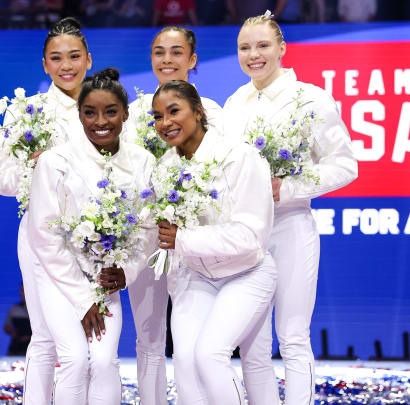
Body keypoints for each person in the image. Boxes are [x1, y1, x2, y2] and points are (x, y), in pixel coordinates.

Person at [223, 13, 358, 404]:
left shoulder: (310, 99)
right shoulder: (235, 103)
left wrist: (289, 187)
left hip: (291, 225)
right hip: (247, 233)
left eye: (263, 45)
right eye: (245, 48)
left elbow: (345, 165)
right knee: (253, 343)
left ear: (282, 48)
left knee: (293, 335)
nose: (254, 55)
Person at [27, 68, 156, 404]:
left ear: (126, 113)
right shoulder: (55, 162)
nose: (101, 121)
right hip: (58, 277)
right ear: (78, 114)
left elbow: (148, 227)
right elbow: (43, 234)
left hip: (105, 279)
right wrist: (82, 299)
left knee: (102, 361)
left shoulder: (143, 161)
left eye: (111, 111)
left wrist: (127, 272)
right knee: (73, 358)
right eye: (90, 112)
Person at [152, 80, 277, 405]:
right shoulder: (166, 168)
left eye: (174, 111)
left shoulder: (240, 157)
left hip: (247, 273)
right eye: (158, 116)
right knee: (186, 365)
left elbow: (251, 238)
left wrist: (184, 238)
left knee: (209, 354)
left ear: (199, 111)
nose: (166, 122)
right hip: (196, 277)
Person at [0, 16, 92, 405]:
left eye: (74, 56)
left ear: (88, 60)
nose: (66, 65)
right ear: (44, 64)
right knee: (46, 336)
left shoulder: (104, 109)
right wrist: (32, 168)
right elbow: (0, 179)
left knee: (90, 345)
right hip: (39, 236)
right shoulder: (25, 112)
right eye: (56, 58)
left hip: (97, 239)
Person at [119, 25, 223, 405]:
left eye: (176, 52)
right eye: (159, 52)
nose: (167, 59)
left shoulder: (212, 113)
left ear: (192, 60)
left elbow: (219, 177)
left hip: (193, 243)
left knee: (193, 339)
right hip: (147, 238)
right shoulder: (133, 116)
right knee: (148, 337)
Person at [4, 283, 31, 355]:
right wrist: (13, 332)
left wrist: (29, 337)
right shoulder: (14, 309)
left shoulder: (41, 309)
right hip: (16, 348)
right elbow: (6, 327)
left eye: (26, 290)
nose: (23, 293)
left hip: (34, 349)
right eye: (22, 290)